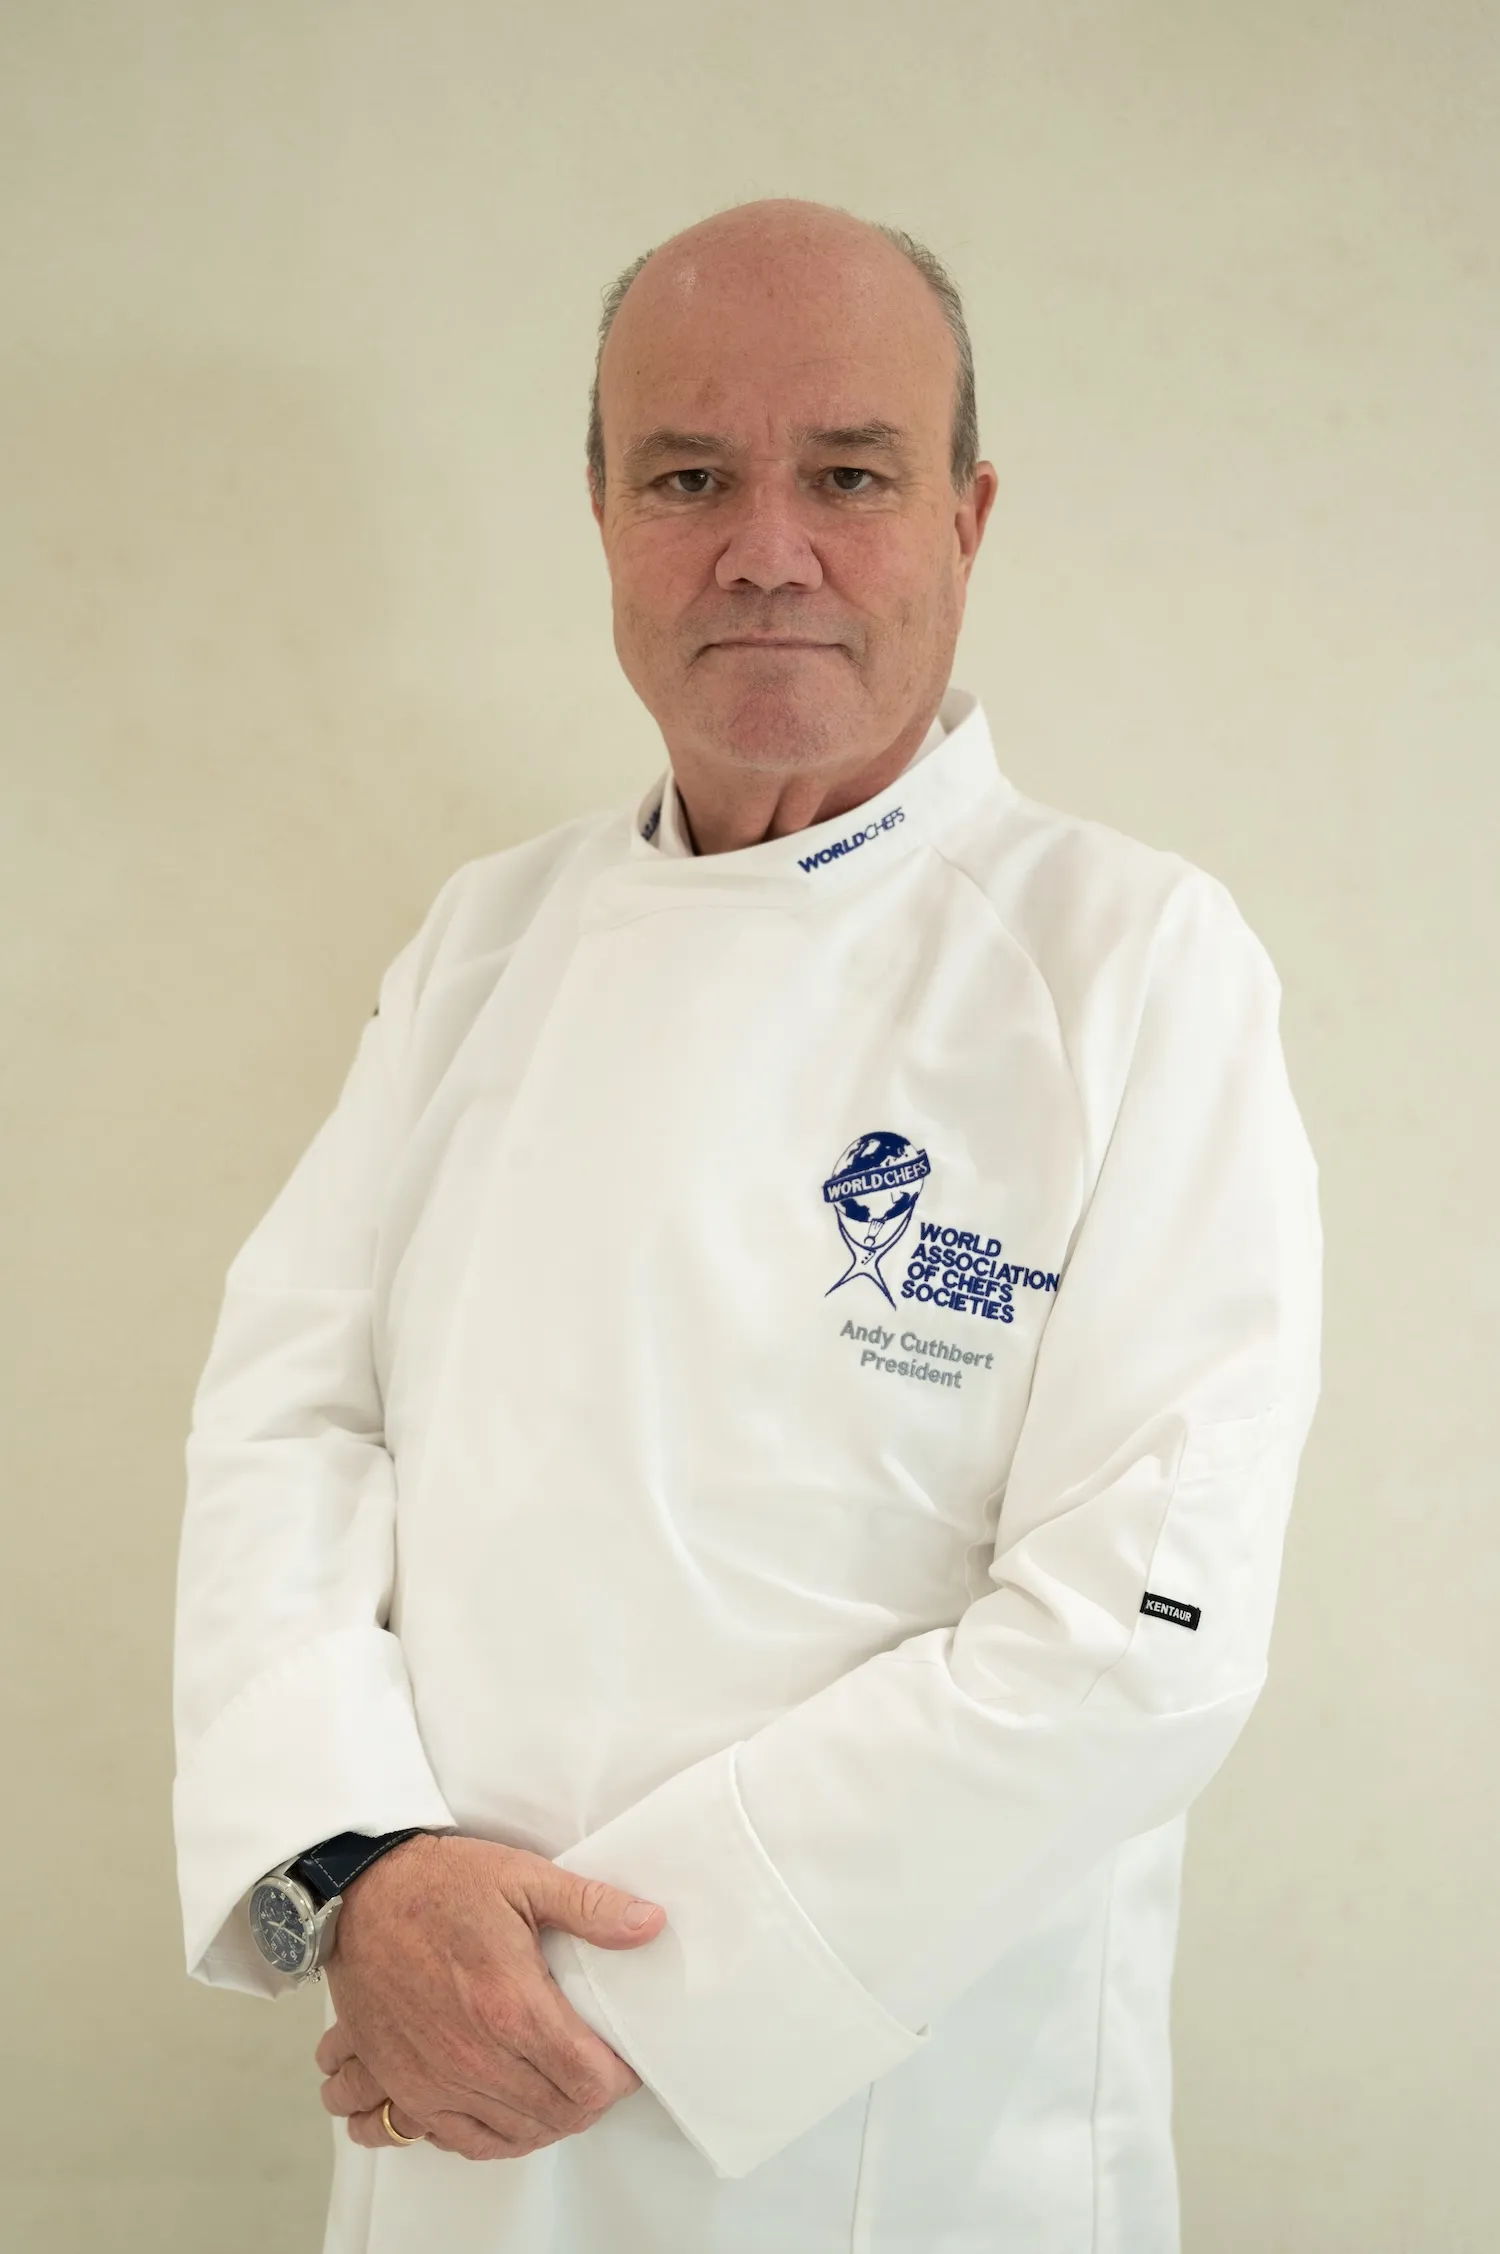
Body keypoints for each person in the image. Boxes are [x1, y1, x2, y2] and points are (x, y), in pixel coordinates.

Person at [173, 198, 1322, 2254]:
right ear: (604, 517)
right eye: (689, 477)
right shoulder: (481, 944)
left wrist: (568, 1996)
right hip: (448, 2113)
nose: (765, 548)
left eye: (849, 476)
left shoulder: (1134, 961)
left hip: (897, 2143)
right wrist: (358, 1873)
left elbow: (1138, 1635)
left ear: (968, 519)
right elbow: (290, 1421)